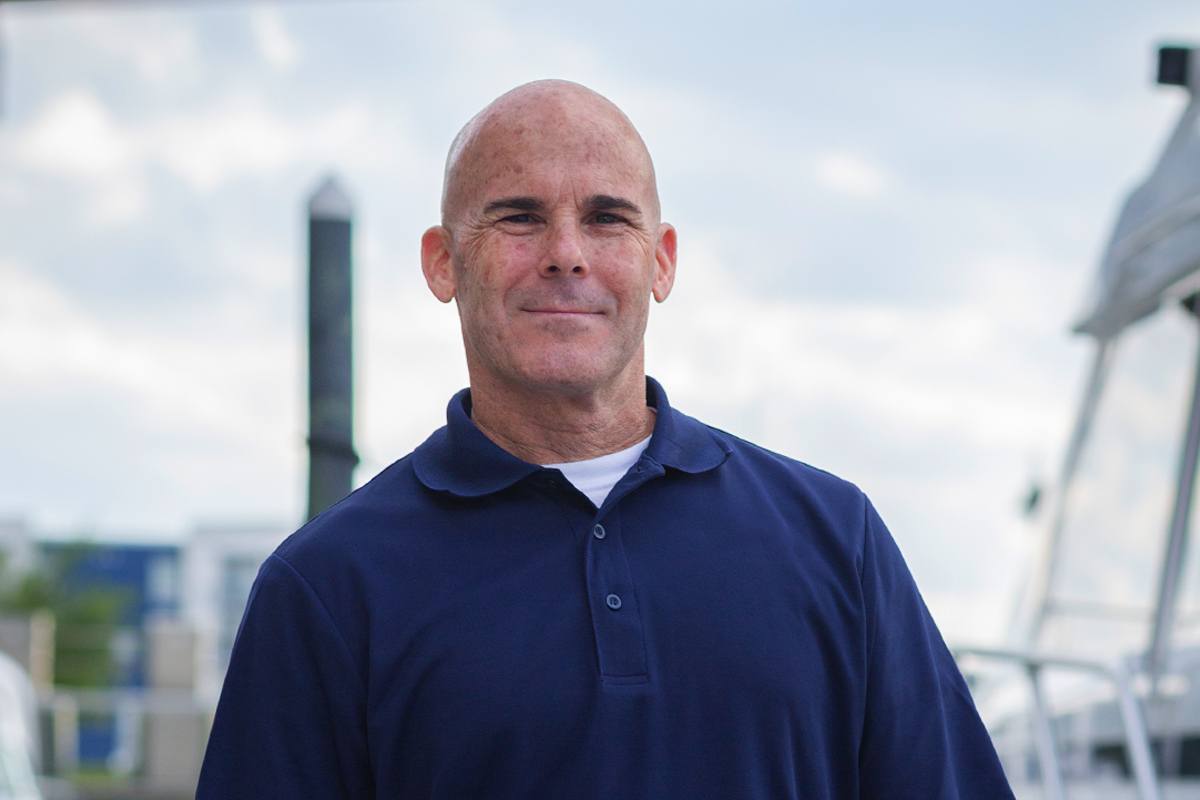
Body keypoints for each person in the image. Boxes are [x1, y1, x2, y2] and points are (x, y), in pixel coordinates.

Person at [197, 79, 1014, 799]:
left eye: (606, 219)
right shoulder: (327, 587)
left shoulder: (837, 540)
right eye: (519, 218)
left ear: (661, 262)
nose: (565, 255)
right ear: (444, 263)